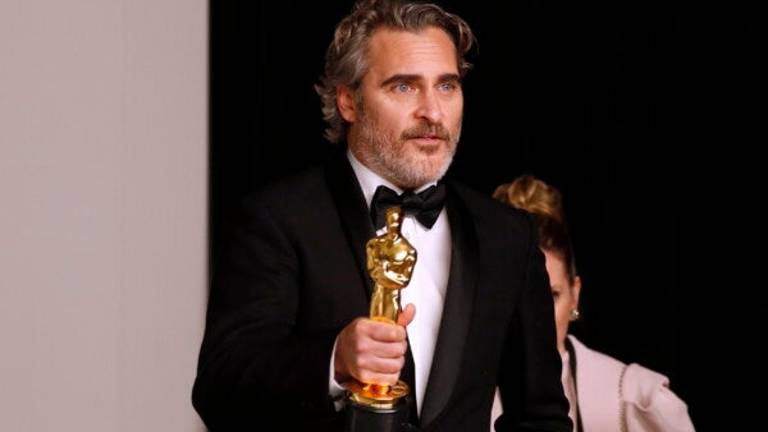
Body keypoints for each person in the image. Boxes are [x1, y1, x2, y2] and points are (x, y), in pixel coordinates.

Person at [192, 1, 572, 430]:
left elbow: (540, 417)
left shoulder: (506, 235)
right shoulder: (277, 219)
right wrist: (333, 360)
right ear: (348, 102)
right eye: (404, 87)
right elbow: (219, 390)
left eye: (446, 86)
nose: (432, 112)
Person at [492, 175, 695, 431]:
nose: (535, 316)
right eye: (517, 297)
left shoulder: (632, 398)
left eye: (552, 296)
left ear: (574, 295)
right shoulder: (458, 391)